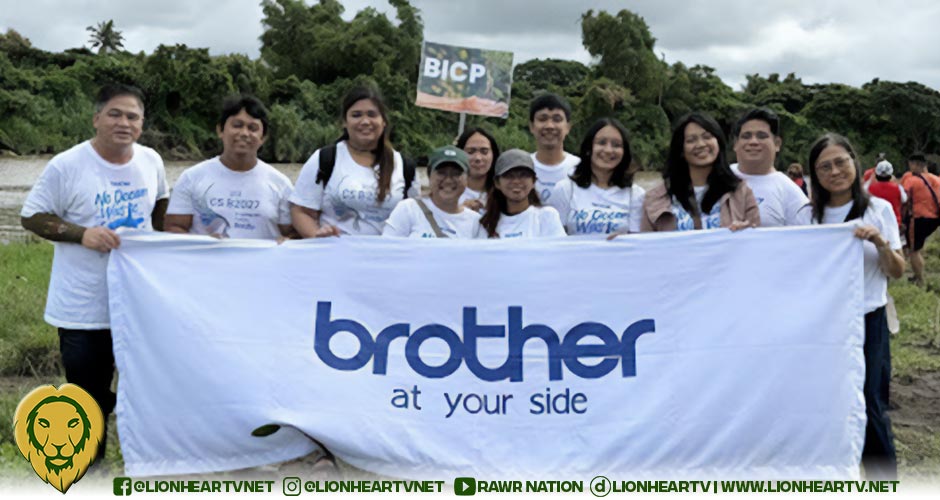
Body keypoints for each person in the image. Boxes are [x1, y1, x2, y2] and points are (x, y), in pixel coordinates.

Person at [19, 83, 169, 460]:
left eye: (132, 116)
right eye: (115, 114)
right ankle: (90, 467)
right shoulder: (67, 165)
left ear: (142, 123)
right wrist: (80, 233)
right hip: (83, 308)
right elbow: (32, 216)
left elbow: (161, 211)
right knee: (88, 395)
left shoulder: (151, 161)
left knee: (149, 389)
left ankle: (149, 465)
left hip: (140, 303)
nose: (124, 122)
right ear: (96, 118)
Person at [801, 133, 904, 479]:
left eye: (841, 162)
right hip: (822, 325)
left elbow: (897, 271)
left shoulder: (879, 210)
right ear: (815, 174)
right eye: (824, 166)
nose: (835, 171)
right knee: (826, 404)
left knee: (871, 403)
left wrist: (880, 241)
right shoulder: (806, 217)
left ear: (855, 163)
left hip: (867, 320)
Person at [290, 86, 418, 237]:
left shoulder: (404, 166)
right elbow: (300, 211)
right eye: (356, 115)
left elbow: (415, 218)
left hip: (387, 258)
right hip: (335, 257)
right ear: (344, 122)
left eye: (372, 114)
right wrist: (317, 236)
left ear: (384, 121)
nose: (365, 121)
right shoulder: (325, 159)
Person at [164, 95, 294, 240]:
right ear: (220, 130)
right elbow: (174, 228)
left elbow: (292, 234)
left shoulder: (280, 184)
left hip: (262, 263)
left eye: (253, 128)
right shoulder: (192, 178)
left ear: (263, 137)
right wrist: (203, 243)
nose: (244, 133)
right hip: (206, 261)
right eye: (237, 125)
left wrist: (287, 241)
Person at [640, 112, 759, 232]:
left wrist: (746, 231)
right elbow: (645, 246)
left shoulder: (741, 192)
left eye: (707, 137)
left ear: (718, 142)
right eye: (691, 140)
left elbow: (756, 240)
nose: (701, 144)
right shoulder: (656, 198)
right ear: (681, 149)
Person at [550, 118, 645, 236]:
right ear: (589, 149)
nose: (608, 150)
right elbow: (553, 240)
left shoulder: (635, 195)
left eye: (616, 145)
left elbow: (638, 244)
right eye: (601, 143)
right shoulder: (565, 189)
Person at [383, 146, 483, 238]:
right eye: (441, 173)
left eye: (456, 174)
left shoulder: (475, 222)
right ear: (429, 175)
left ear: (467, 178)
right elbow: (387, 251)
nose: (448, 180)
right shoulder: (408, 209)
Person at [731, 108, 809, 226]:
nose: (753, 142)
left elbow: (809, 239)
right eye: (746, 136)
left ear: (777, 144)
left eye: (761, 136)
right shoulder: (716, 178)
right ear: (735, 144)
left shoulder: (792, 194)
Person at [479, 149, 566, 238]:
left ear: (534, 181)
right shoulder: (486, 223)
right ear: (497, 183)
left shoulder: (546, 216)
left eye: (523, 175)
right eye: (509, 176)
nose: (516, 181)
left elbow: (559, 250)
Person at [528, 93, 579, 203]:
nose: (550, 126)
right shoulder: (522, 166)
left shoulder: (580, 168)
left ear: (568, 127)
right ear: (531, 126)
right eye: (542, 119)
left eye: (557, 119)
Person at [899, 152, 940, 286]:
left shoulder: (911, 180)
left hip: (918, 218)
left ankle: (919, 279)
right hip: (935, 219)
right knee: (918, 245)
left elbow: (903, 199)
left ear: (915, 164)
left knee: (914, 250)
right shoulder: (936, 179)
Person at [455, 127, 499, 212]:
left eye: (484, 151)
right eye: (470, 152)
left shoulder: (503, 194)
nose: (478, 158)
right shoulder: (448, 193)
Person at [867, 160, 908, 226]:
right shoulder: (898, 187)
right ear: (890, 174)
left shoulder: (869, 189)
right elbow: (904, 199)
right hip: (894, 222)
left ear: (877, 174)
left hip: (875, 223)